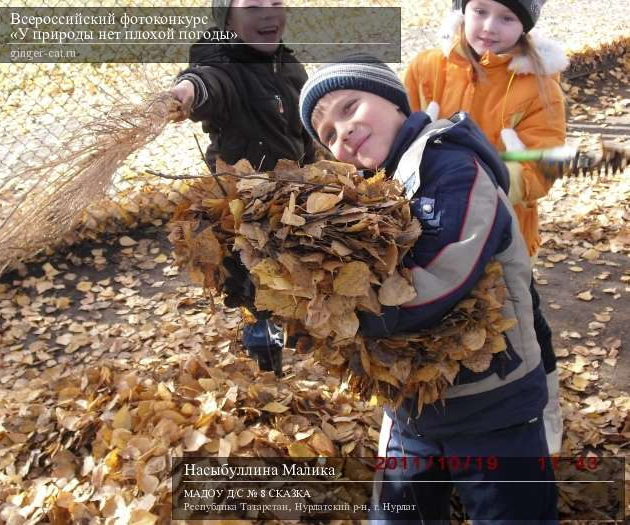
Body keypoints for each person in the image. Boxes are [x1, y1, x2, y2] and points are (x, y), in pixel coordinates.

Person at [299, 56, 557, 523]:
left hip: (492, 402)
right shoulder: (371, 192)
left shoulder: (451, 163)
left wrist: (339, 319)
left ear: (397, 102)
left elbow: (440, 276)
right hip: (412, 408)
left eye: (350, 106)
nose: (344, 132)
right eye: (329, 136)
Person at [403, 0, 567, 454]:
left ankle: (543, 411)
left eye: (507, 17)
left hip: (504, 237)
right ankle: (415, 428)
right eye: (479, 10)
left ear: (526, 24)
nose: (489, 28)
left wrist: (480, 180)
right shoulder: (427, 68)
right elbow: (398, 134)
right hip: (428, 231)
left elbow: (541, 170)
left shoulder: (540, 89)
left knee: (523, 323)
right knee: (432, 323)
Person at [170, 0, 316, 376]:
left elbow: (304, 127)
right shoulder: (225, 63)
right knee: (253, 283)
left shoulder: (287, 65)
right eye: (251, 6)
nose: (267, 13)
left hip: (293, 195)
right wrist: (189, 91)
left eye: (276, 3)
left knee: (296, 273)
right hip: (245, 206)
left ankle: (300, 329)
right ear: (227, 19)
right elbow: (207, 81)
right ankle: (267, 360)